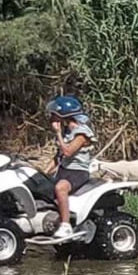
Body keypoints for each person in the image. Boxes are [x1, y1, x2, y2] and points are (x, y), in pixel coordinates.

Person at [45, 95, 96, 241]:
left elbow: (67, 152)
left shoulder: (82, 133)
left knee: (61, 187)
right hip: (64, 170)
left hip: (77, 172)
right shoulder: (68, 132)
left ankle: (66, 225)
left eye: (55, 116)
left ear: (64, 117)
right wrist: (42, 173)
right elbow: (58, 158)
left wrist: (58, 133)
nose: (52, 119)